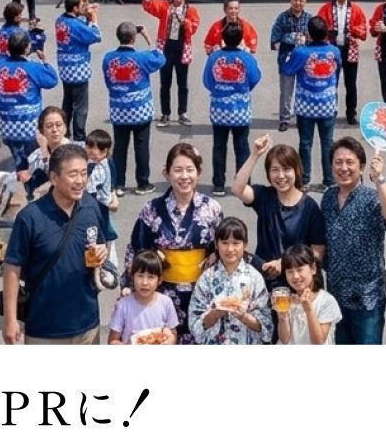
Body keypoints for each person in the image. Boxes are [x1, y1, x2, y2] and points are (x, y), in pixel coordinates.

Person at [2, 144, 116, 345]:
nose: (80, 181)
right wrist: (10, 320)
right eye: (73, 174)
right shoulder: (30, 218)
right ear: (54, 178)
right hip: (44, 330)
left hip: (87, 326)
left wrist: (101, 254)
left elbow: (99, 247)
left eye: (83, 173)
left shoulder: (91, 208)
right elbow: (12, 268)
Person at [124, 142, 223, 342]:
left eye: (190, 170)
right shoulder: (152, 209)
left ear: (199, 173)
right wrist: (128, 285)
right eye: (177, 170)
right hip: (161, 294)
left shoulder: (212, 208)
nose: (184, 176)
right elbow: (136, 249)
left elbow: (225, 249)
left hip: (202, 293)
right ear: (166, 173)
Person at [321, 137, 386, 344]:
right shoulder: (328, 197)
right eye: (338, 162)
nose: (344, 168)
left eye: (350, 162)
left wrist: (379, 179)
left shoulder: (372, 197)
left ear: (361, 167)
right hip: (335, 295)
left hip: (367, 298)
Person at [231, 135, 327, 294]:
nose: (281, 176)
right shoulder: (264, 196)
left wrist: (285, 263)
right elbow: (237, 188)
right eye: (275, 170)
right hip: (263, 279)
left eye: (286, 169)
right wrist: (255, 155)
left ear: (297, 170)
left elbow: (317, 253)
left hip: (297, 284)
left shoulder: (310, 208)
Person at [0, 30, 59, 191]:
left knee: (20, 163)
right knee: (36, 165)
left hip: (8, 127)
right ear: (27, 48)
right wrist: (45, 61)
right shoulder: (32, 67)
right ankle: (33, 193)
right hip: (30, 128)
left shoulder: (0, 68)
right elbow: (52, 80)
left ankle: (22, 189)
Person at [101, 21, 165, 196]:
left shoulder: (108, 58)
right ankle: (142, 183)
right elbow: (160, 58)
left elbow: (108, 81)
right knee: (141, 146)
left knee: (120, 147)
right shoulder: (142, 58)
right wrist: (148, 36)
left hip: (118, 108)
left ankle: (118, 183)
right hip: (140, 110)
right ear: (134, 38)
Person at [189, 217, 272, 345]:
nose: (230, 249)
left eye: (236, 243)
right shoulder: (206, 278)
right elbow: (194, 324)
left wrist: (243, 316)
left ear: (245, 245)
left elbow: (266, 325)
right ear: (216, 244)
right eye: (225, 243)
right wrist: (215, 313)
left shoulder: (255, 278)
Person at [281, 15, 341, 191]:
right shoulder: (334, 51)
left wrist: (292, 50)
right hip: (328, 103)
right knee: (327, 142)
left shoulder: (301, 52)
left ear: (309, 33)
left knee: (305, 143)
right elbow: (338, 71)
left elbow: (287, 69)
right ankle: (329, 179)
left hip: (306, 104)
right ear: (325, 34)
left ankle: (305, 179)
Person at [204, 21, 262, 196]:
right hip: (240, 109)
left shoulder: (214, 57)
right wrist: (243, 89)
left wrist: (219, 90)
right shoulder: (246, 58)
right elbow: (255, 77)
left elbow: (207, 81)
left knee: (219, 146)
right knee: (242, 146)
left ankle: (219, 184)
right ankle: (243, 183)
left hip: (219, 109)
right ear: (240, 39)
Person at [142, 0, 200, 127]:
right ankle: (165, 114)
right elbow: (149, 4)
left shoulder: (191, 10)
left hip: (182, 47)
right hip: (166, 47)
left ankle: (182, 112)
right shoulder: (165, 6)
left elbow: (194, 27)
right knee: (165, 83)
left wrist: (184, 21)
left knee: (183, 83)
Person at [317, 0, 368, 126]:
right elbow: (318, 25)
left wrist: (353, 31)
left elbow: (363, 27)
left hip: (350, 49)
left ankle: (351, 113)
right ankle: (330, 111)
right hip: (331, 50)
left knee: (351, 84)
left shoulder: (356, 9)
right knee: (331, 83)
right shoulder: (326, 8)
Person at [54, 0, 102, 143]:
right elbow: (95, 36)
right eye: (81, 6)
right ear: (74, 8)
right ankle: (79, 136)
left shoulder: (60, 20)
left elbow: (80, 26)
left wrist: (86, 15)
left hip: (64, 67)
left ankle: (64, 132)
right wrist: (93, 20)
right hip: (78, 69)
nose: (83, 8)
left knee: (67, 101)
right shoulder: (75, 25)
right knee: (80, 106)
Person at [107, 250, 179, 344]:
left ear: (160, 280)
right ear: (132, 277)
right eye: (140, 276)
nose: (145, 282)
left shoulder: (166, 303)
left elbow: (173, 333)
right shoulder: (123, 305)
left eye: (151, 277)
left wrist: (170, 340)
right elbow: (112, 340)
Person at [276, 243, 341, 345]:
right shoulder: (286, 299)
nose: (295, 276)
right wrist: (282, 316)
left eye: (300, 269)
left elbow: (318, 342)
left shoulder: (326, 301)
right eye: (290, 271)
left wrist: (308, 309)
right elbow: (284, 340)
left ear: (313, 269)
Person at [271, 0, 312, 131]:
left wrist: (306, 39)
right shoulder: (282, 17)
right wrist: (290, 38)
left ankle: (302, 115)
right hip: (286, 60)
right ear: (290, 0)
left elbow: (315, 38)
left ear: (305, 2)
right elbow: (274, 39)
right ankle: (284, 118)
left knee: (304, 90)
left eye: (301, 0)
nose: (298, 3)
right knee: (286, 91)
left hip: (305, 61)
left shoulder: (309, 18)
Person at [20, 106, 72, 200]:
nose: (54, 130)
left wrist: (44, 152)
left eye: (59, 125)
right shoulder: (35, 154)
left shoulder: (72, 151)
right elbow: (31, 179)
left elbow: (57, 176)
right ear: (42, 131)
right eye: (49, 126)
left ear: (65, 128)